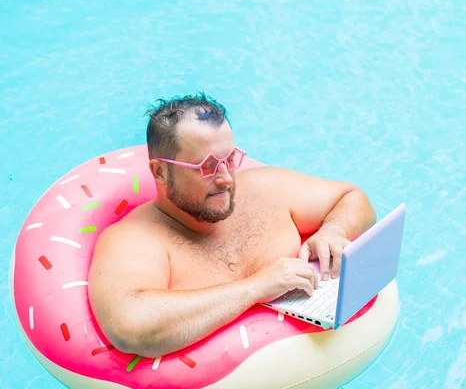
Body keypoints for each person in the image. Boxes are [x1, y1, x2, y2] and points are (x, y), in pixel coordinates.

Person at [88, 93, 376, 358]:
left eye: (230, 159)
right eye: (207, 166)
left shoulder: (266, 188)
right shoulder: (134, 240)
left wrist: (334, 230)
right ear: (161, 172)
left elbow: (352, 197)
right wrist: (256, 287)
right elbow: (130, 327)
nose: (226, 179)